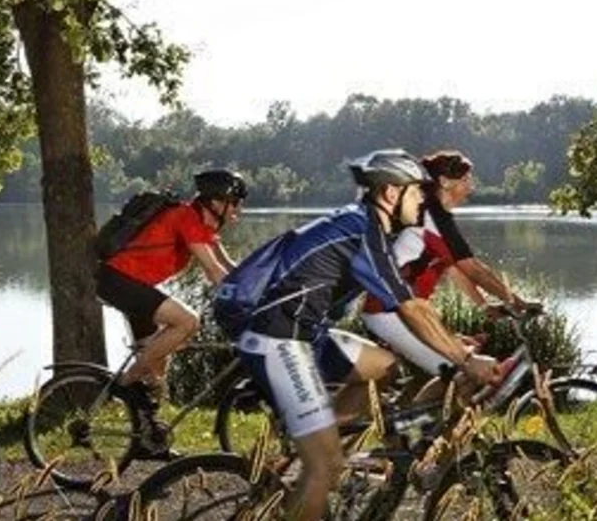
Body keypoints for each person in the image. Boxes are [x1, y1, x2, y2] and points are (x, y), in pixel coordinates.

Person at [209, 149, 500, 521]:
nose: (422, 200)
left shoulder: (366, 227)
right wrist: (465, 360)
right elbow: (409, 309)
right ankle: (317, 453)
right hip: (278, 340)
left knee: (384, 367)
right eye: (416, 193)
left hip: (306, 334)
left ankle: (311, 434)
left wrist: (455, 346)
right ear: (391, 194)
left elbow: (413, 302)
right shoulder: (362, 232)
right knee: (325, 469)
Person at [94, 169, 244, 455]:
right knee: (188, 321)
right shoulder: (186, 218)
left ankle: (146, 441)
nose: (238, 208)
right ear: (217, 202)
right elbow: (213, 271)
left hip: (132, 285)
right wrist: (241, 301)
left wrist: (264, 287)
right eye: (234, 201)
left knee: (157, 370)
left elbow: (230, 269)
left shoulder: (203, 227)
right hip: (119, 281)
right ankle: (124, 383)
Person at [361, 150, 536, 392]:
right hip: (389, 310)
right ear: (444, 182)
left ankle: (413, 420)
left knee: (462, 356)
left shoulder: (436, 216)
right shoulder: (429, 217)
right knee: (463, 373)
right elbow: (473, 270)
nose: (471, 186)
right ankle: (410, 430)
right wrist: (517, 302)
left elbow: (455, 270)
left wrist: (485, 307)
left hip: (403, 310)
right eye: (465, 179)